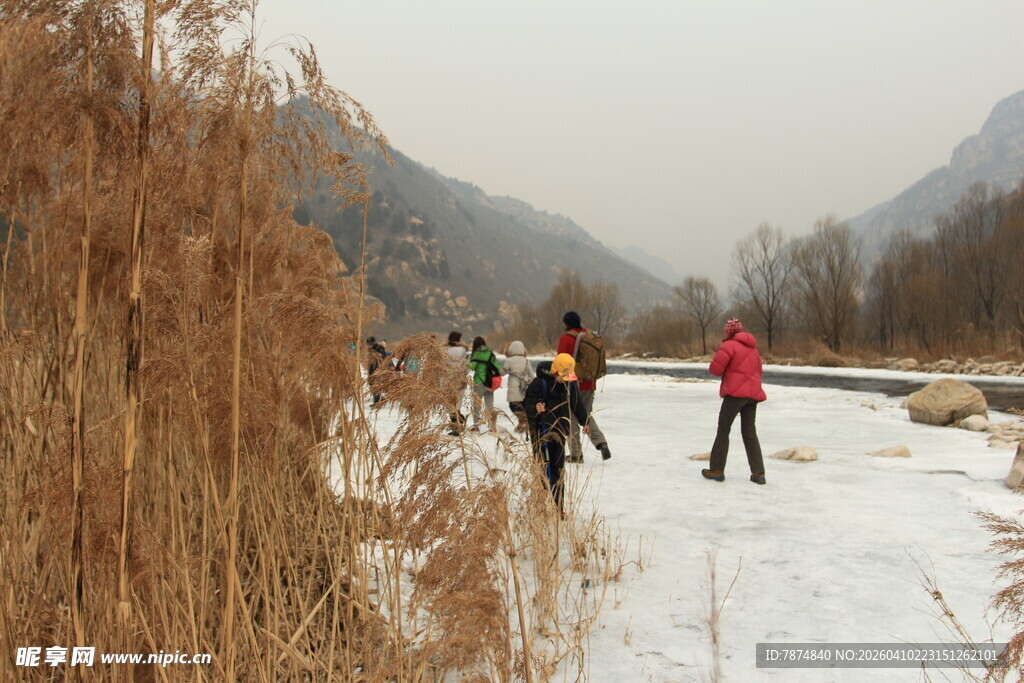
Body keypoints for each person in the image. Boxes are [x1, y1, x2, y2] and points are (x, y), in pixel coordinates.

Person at [702, 318, 767, 485]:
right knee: (749, 432)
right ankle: (758, 473)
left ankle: (716, 470)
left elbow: (716, 370)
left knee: (723, 429)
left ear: (728, 332)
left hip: (735, 395)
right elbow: (759, 371)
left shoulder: (729, 346)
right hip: (752, 395)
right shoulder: (753, 349)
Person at [524, 354, 591, 514]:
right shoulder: (539, 383)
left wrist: (585, 421)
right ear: (555, 372)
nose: (567, 380)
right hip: (541, 432)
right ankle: (539, 505)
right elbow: (527, 403)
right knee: (541, 468)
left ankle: (558, 507)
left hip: (560, 431)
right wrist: (535, 408)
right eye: (564, 376)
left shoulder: (570, 384)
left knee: (558, 469)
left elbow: (576, 404)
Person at [557, 311, 611, 461]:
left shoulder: (567, 338)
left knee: (571, 417)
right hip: (589, 383)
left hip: (572, 382)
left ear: (566, 323)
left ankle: (575, 454)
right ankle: (601, 443)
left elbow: (561, 361)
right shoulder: (588, 336)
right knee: (585, 414)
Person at [468, 336, 502, 432]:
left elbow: (471, 367)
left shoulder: (476, 354)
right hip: (490, 382)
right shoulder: (491, 354)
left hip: (479, 382)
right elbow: (498, 367)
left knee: (476, 405)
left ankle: (476, 426)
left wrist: (464, 366)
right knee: (490, 405)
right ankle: (492, 427)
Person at [502, 340, 534, 432]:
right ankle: (524, 423)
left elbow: (503, 372)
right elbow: (532, 375)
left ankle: (522, 422)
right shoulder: (526, 361)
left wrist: (495, 373)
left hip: (513, 385)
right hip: (524, 386)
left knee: (513, 405)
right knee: (523, 405)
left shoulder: (508, 360)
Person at [445, 331, 470, 434]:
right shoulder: (464, 350)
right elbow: (467, 364)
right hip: (460, 379)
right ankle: (459, 425)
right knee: (457, 404)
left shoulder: (445, 350)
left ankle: (457, 427)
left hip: (448, 379)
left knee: (450, 405)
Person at [365, 336, 387, 404]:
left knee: (376, 385)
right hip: (372, 370)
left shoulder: (379, 348)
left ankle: (377, 401)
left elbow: (383, 358)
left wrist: (379, 369)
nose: (368, 346)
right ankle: (379, 398)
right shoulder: (371, 350)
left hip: (378, 369)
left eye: (370, 344)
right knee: (371, 384)